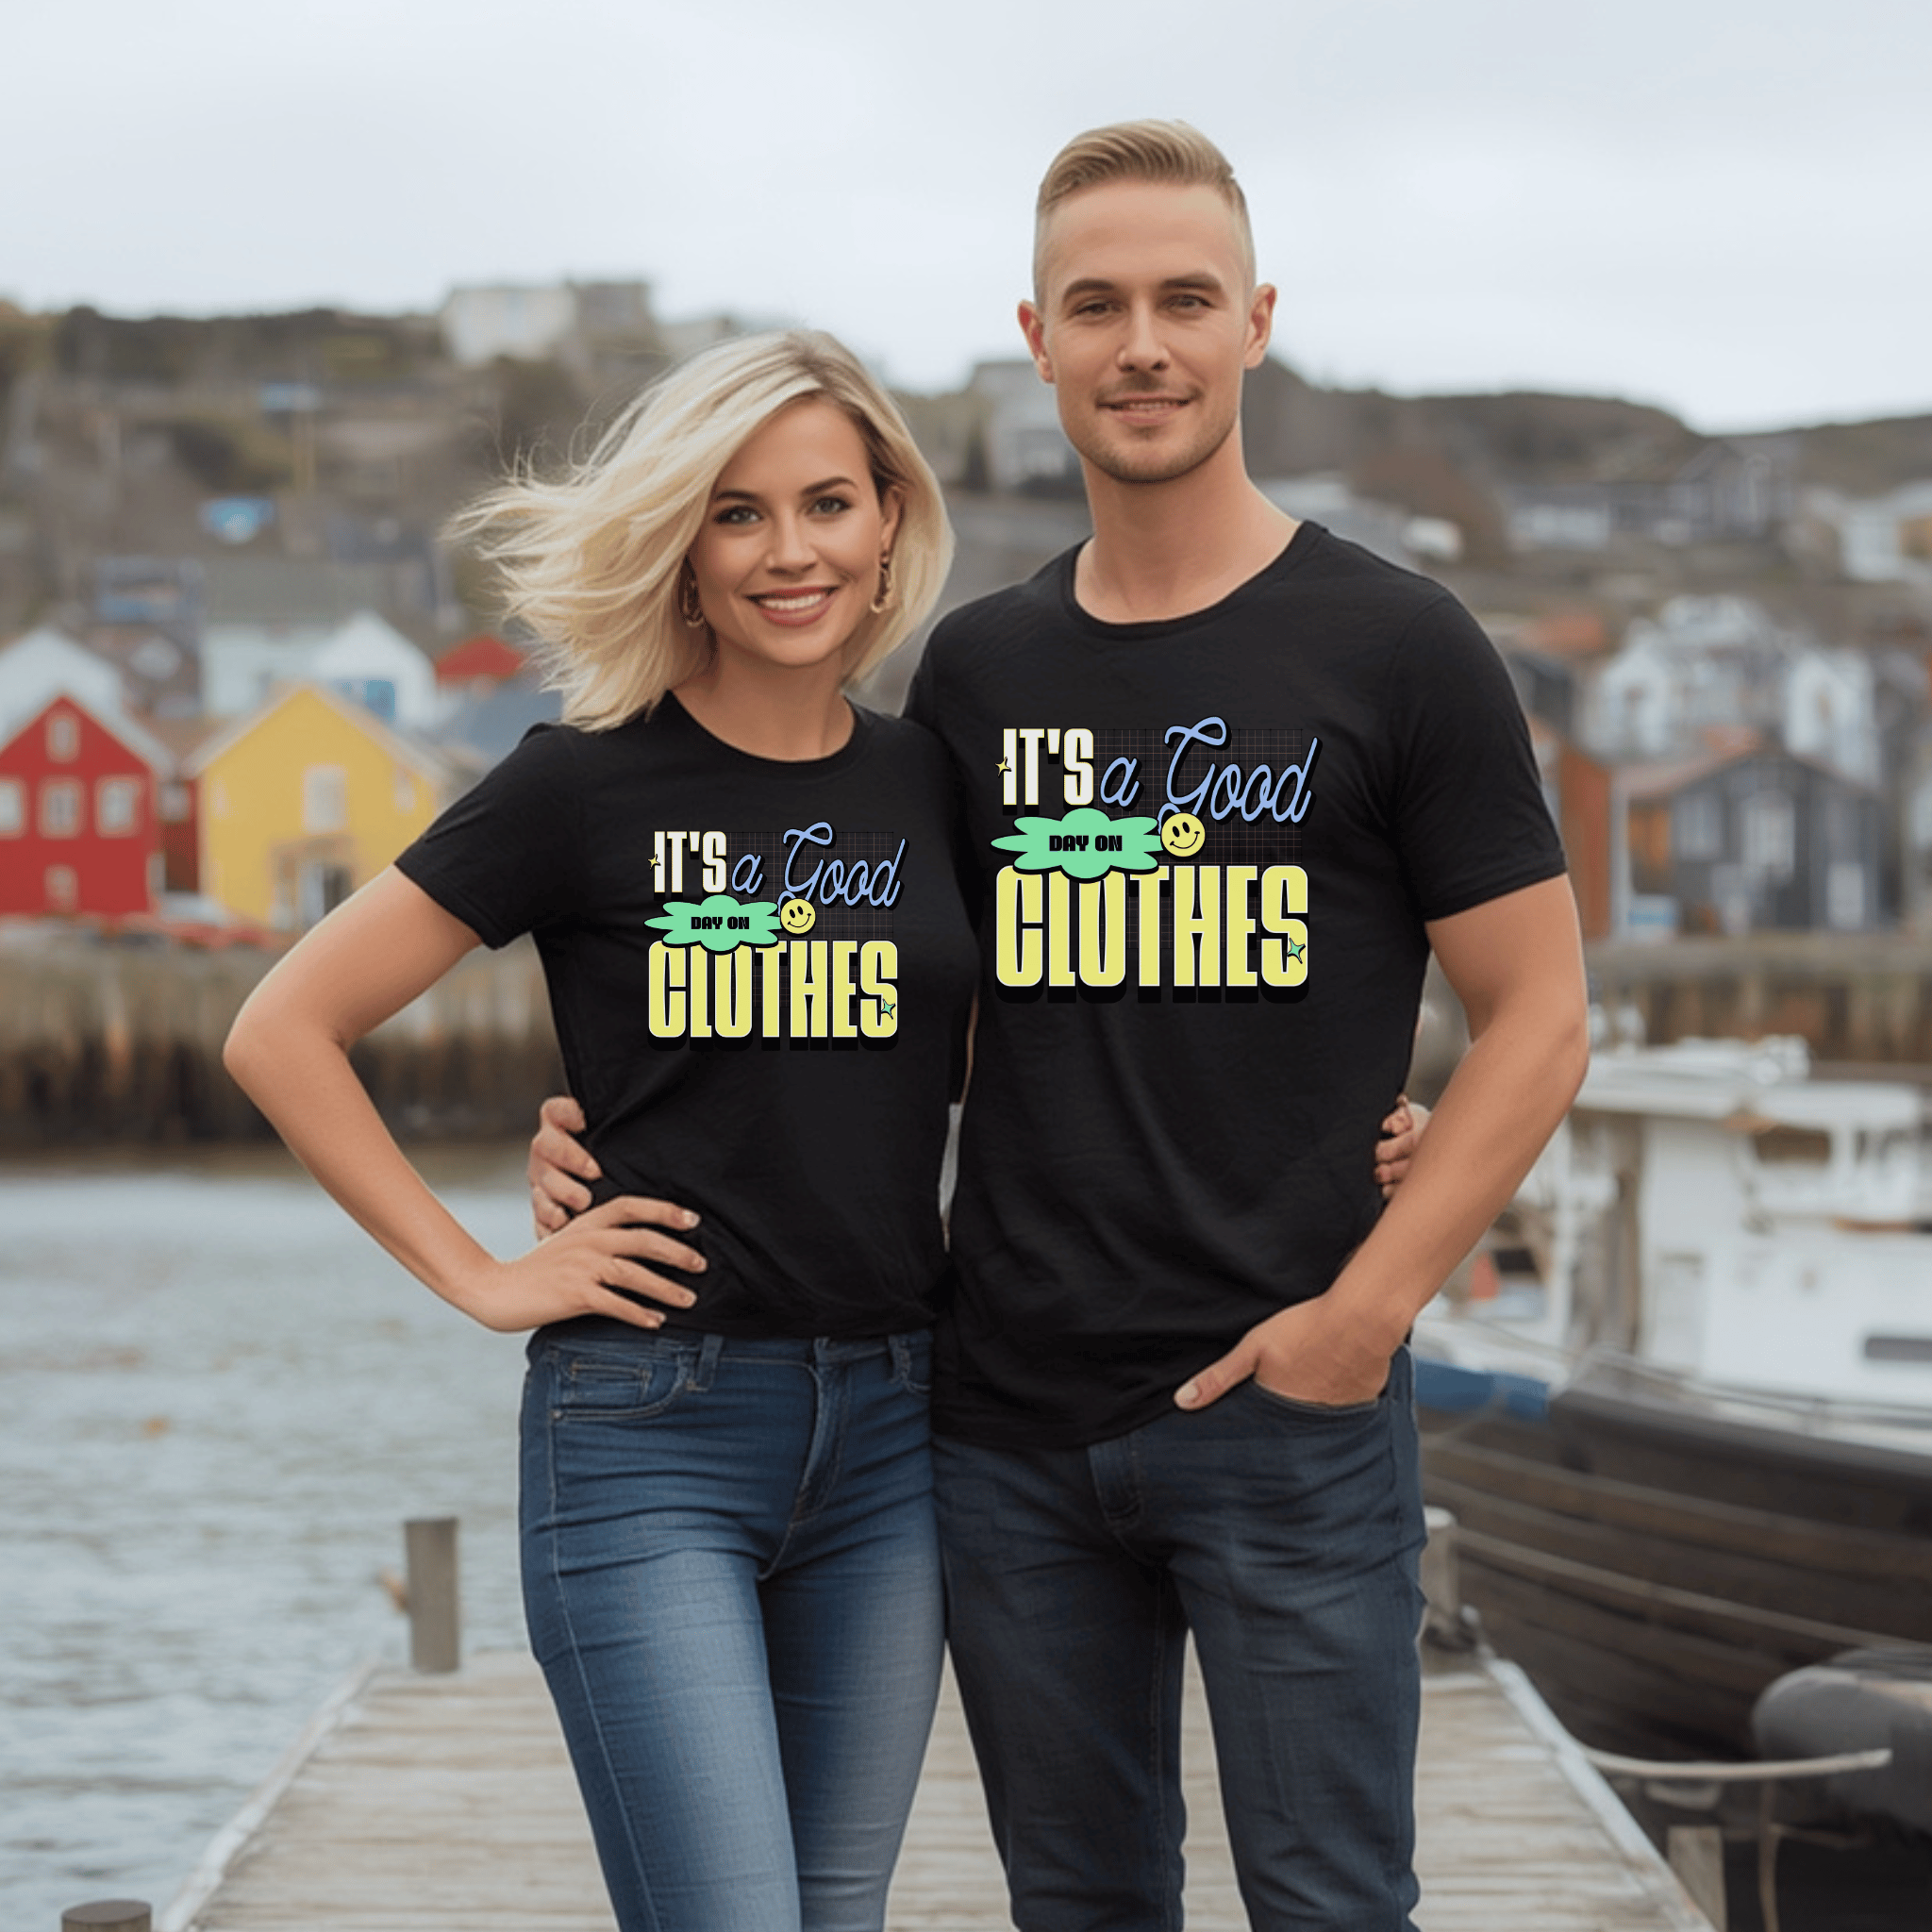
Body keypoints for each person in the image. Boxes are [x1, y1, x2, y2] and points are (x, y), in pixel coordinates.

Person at [531, 122, 1590, 1932]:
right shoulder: (980, 669)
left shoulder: (1400, 645)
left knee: (1334, 1901)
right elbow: (903, 991)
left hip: (1290, 1402)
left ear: (1258, 322)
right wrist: (622, 1123)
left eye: (1186, 299)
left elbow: (1542, 1014)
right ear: (1037, 338)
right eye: (1096, 305)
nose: (1142, 344)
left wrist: (1372, 1306)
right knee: (1081, 1909)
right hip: (1007, 1426)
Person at [223, 330, 978, 1932]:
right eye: (738, 513)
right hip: (653, 1432)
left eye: (829, 502)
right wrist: (485, 1277)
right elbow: (282, 1028)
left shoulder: (934, 787)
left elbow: (1003, 1056)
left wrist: (1352, 1130)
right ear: (682, 549)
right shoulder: (579, 787)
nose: (793, 552)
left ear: (891, 521)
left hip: (895, 1432)